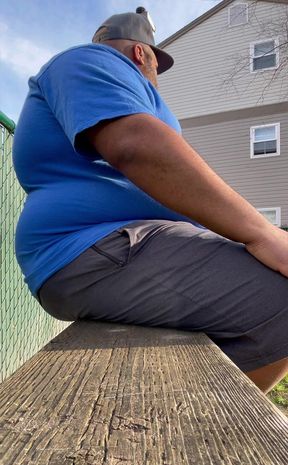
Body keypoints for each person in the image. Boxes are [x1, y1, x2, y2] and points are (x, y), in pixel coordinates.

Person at [13, 7, 288, 394]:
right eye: (158, 66)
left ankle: (182, 417)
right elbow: (135, 146)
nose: (156, 78)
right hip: (95, 248)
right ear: (143, 55)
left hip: (123, 248)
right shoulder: (90, 60)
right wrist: (262, 233)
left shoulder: (104, 81)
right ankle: (197, 433)